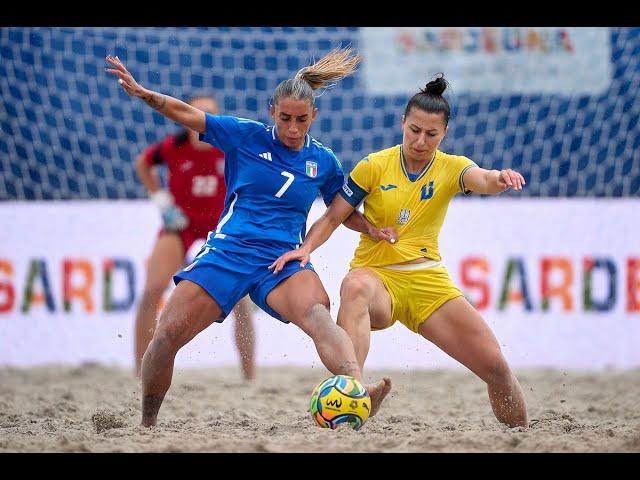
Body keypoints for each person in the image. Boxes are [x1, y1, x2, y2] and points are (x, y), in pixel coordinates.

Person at [106, 47, 391, 427]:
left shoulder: (323, 161)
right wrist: (145, 95)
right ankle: (146, 426)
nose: (293, 128)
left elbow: (341, 211)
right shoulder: (245, 136)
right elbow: (188, 114)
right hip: (229, 252)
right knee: (167, 336)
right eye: (286, 118)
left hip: (282, 261)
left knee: (318, 316)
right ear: (272, 112)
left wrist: (370, 227)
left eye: (302, 120)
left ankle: (356, 390)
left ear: (314, 117)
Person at [270, 73, 529, 428]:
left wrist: (500, 179)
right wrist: (306, 249)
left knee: (497, 369)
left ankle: (521, 436)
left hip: (428, 285)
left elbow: (482, 179)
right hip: (378, 280)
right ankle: (356, 392)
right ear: (403, 123)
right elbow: (333, 217)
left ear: (444, 134)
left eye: (431, 134)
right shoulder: (374, 166)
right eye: (414, 130)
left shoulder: (452, 167)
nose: (421, 141)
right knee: (355, 286)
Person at [133, 93, 256, 381]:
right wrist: (162, 202)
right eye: (198, 111)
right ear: (186, 115)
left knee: (240, 299)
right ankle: (140, 373)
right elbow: (143, 163)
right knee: (152, 289)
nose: (203, 118)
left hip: (221, 227)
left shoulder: (230, 147)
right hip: (181, 225)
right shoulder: (172, 147)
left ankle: (249, 378)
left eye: (210, 112)